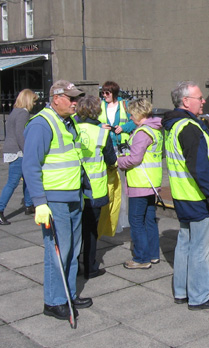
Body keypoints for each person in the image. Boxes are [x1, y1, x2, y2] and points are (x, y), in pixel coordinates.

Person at [23, 80, 92, 320]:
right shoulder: (41, 124)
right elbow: (31, 166)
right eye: (71, 99)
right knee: (58, 252)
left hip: (73, 195)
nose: (76, 103)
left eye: (77, 98)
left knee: (72, 250)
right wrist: (39, 202)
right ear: (56, 99)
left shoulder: (68, 121)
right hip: (54, 200)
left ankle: (68, 295)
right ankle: (53, 302)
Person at [162, 81, 209, 310]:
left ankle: (181, 291)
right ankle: (198, 296)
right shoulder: (188, 127)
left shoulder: (173, 125)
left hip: (182, 195)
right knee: (199, 248)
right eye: (199, 97)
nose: (204, 100)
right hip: (197, 197)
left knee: (184, 244)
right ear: (186, 101)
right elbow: (200, 168)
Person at [117, 98, 163, 269]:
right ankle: (152, 254)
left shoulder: (142, 132)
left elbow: (135, 159)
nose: (130, 118)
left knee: (136, 220)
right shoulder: (155, 130)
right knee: (149, 219)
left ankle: (141, 258)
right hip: (152, 181)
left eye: (131, 115)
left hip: (140, 181)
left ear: (138, 113)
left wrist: (119, 161)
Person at [75, 95, 117, 279]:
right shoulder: (102, 133)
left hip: (74, 188)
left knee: (74, 230)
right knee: (91, 231)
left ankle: (74, 267)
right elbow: (111, 160)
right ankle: (90, 267)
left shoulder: (71, 128)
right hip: (95, 189)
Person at [0, 89, 37, 224]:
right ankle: (0, 209)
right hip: (18, 151)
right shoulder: (23, 113)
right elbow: (20, 134)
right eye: (33, 100)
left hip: (13, 149)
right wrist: (28, 151)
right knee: (12, 182)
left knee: (27, 178)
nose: (34, 103)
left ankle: (28, 204)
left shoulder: (15, 111)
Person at [98, 80, 136, 149]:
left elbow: (134, 122)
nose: (104, 95)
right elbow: (93, 122)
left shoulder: (124, 105)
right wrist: (101, 126)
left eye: (107, 93)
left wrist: (123, 128)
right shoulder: (99, 105)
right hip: (105, 145)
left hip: (122, 145)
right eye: (102, 93)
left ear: (114, 93)